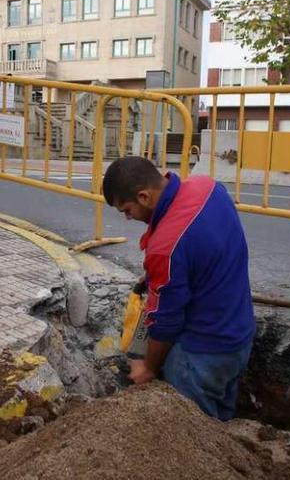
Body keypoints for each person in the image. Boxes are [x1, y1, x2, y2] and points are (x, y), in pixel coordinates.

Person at [103, 156, 255, 421]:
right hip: (239, 333)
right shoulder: (208, 188)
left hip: (203, 355)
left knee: (196, 431)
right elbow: (202, 251)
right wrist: (162, 275)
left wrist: (149, 367)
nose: (128, 217)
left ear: (144, 196)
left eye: (126, 210)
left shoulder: (166, 248)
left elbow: (166, 323)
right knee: (223, 419)